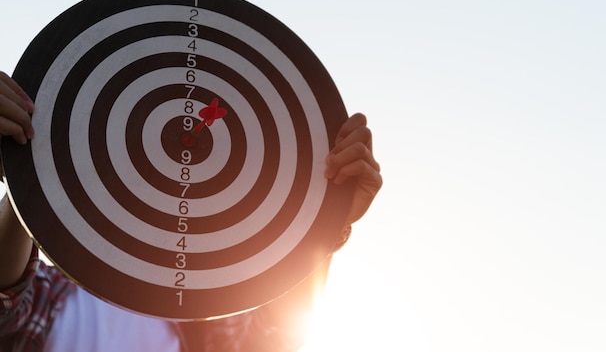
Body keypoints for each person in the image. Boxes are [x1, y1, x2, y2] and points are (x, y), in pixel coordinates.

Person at [0, 70, 382, 352]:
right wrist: (23, 167)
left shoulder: (208, 321)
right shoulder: (53, 294)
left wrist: (326, 221)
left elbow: (275, 340)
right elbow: (6, 303)